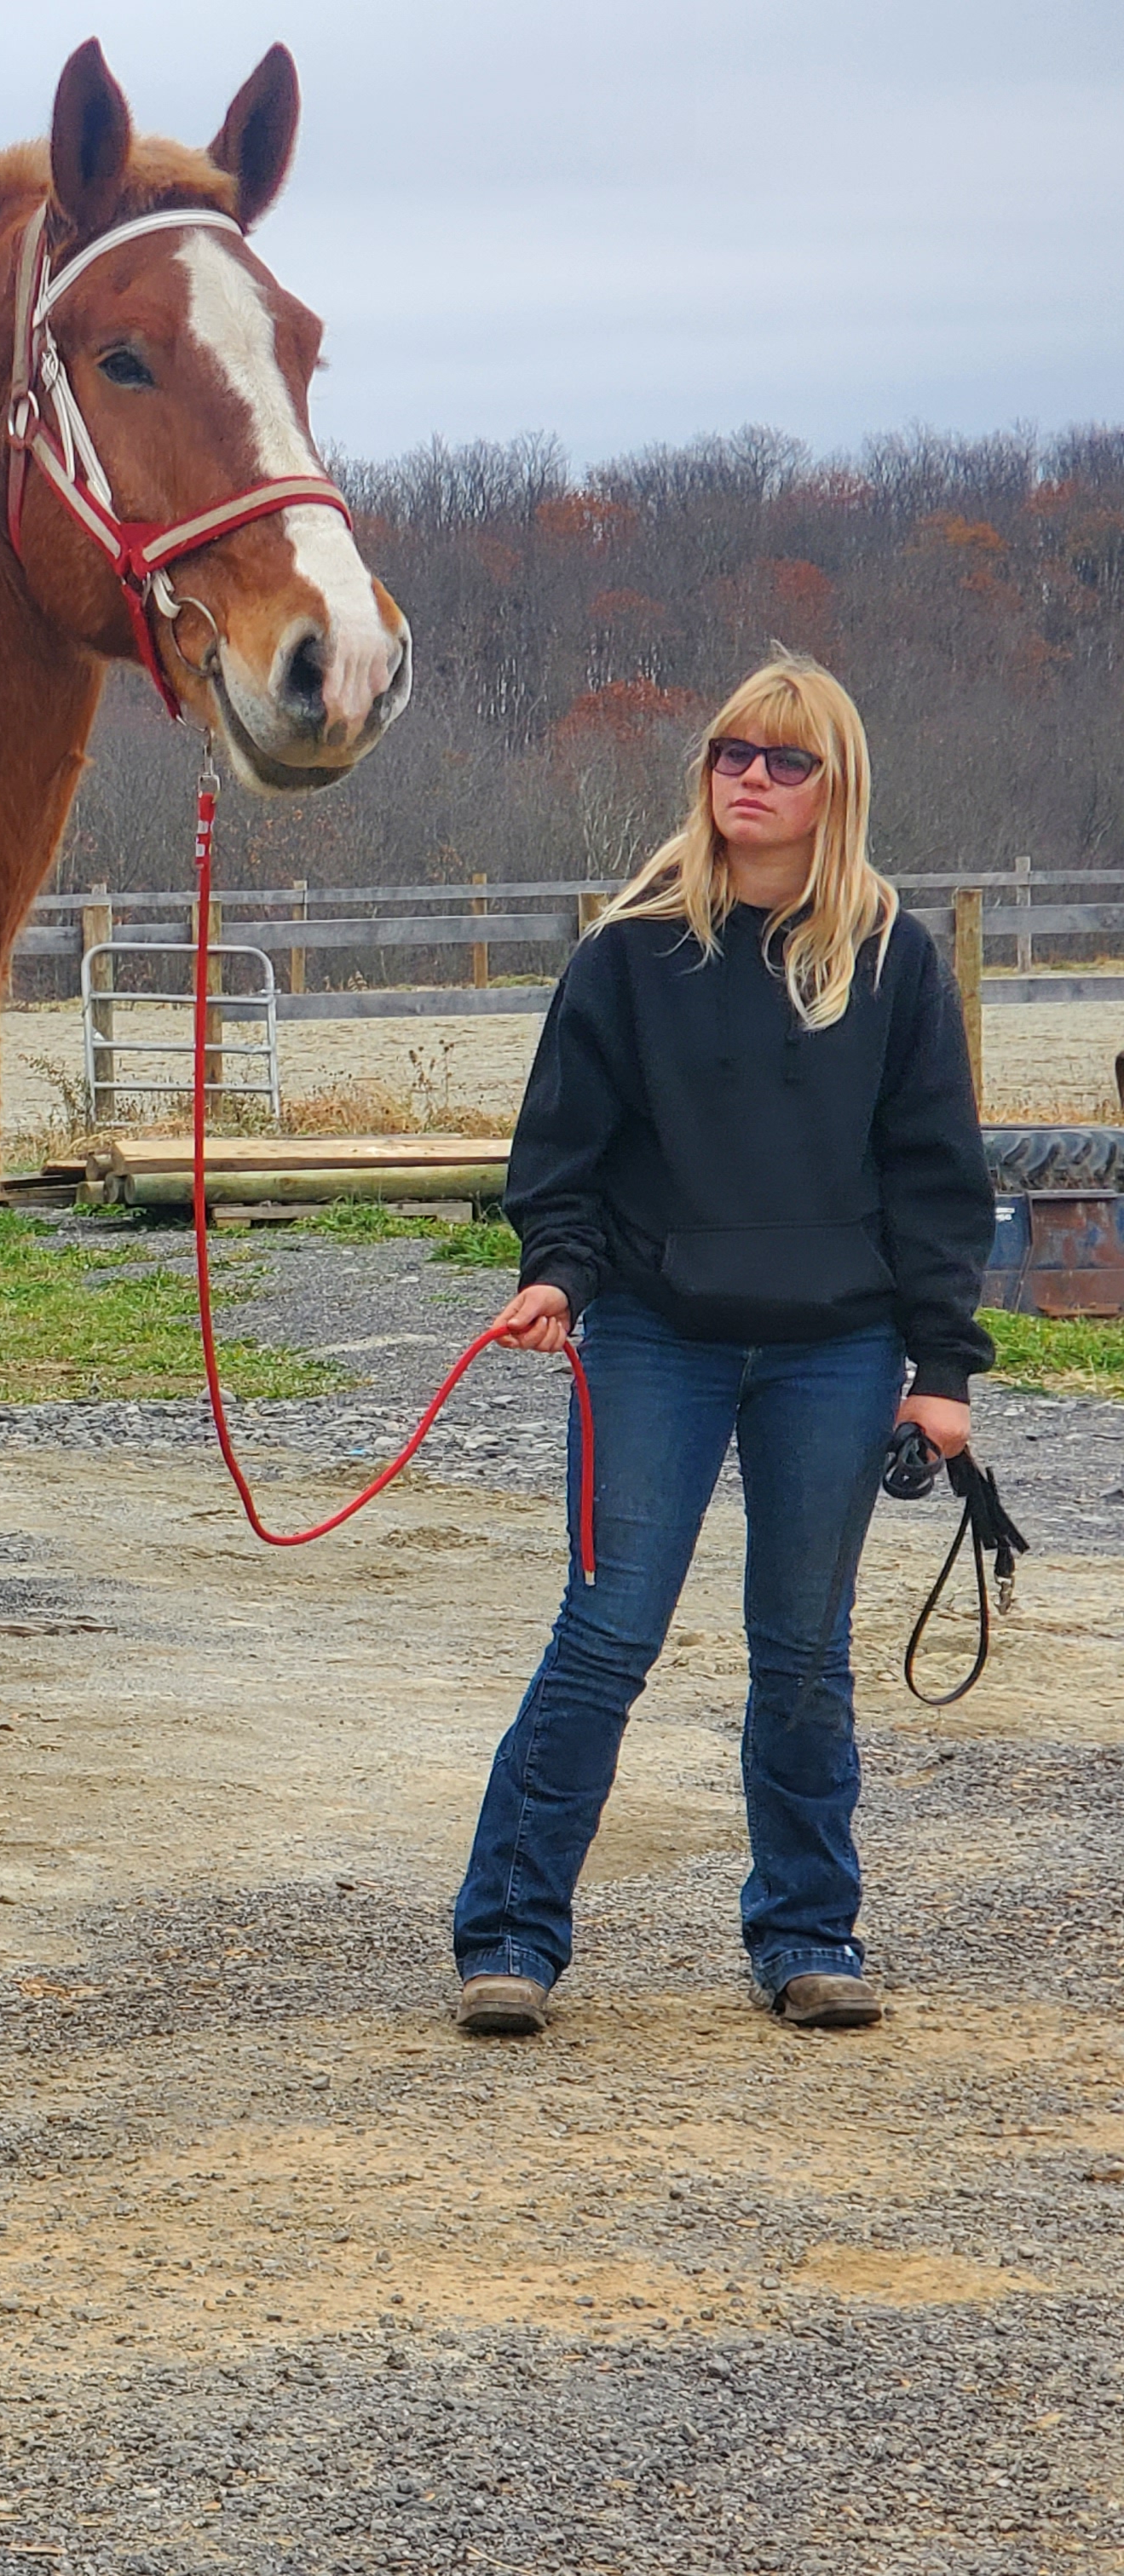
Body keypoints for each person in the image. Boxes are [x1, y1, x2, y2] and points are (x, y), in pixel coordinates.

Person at [452, 652, 993, 2037]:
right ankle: (509, 1938)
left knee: (804, 1652)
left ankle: (810, 1934)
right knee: (606, 1634)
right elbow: (563, 1150)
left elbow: (934, 1178)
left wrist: (942, 1375)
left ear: (836, 789)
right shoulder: (630, 950)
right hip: (653, 1336)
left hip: (836, 1348)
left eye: (784, 760)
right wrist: (557, 1277)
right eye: (730, 753)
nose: (749, 777)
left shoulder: (891, 955)